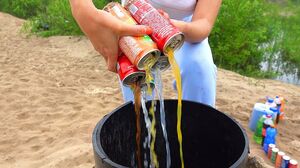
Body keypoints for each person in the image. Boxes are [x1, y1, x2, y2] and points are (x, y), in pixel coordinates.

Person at [69, 0, 222, 107]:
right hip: (134, 23)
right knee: (139, 91)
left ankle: (197, 135)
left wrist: (168, 27)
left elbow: (203, 24)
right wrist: (82, 9)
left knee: (199, 69)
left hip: (186, 28)